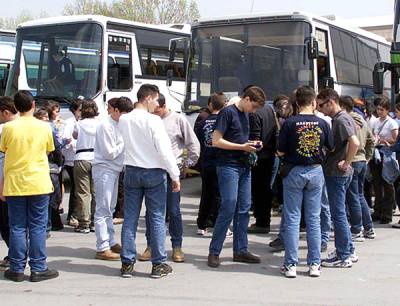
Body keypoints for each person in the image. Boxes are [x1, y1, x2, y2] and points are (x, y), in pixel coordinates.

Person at [119, 84, 180, 279]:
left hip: (132, 171)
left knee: (130, 218)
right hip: (154, 171)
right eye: (155, 99)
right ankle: (158, 264)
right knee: (156, 218)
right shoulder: (154, 121)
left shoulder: (124, 119)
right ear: (147, 98)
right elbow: (164, 150)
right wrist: (174, 174)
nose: (157, 103)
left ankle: (127, 263)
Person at [0, 90, 58, 282]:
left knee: (16, 226)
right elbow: (50, 150)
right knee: (37, 227)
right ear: (33, 105)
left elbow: (4, 153)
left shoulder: (8, 128)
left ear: (15, 107)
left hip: (15, 182)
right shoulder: (44, 127)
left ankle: (16, 268)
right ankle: (38, 267)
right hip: (39, 182)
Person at [207, 86, 266, 268]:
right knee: (229, 206)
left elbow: (238, 139)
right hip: (228, 165)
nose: (254, 111)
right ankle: (214, 251)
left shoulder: (245, 115)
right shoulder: (227, 113)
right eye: (254, 106)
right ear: (247, 99)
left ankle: (240, 250)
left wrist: (251, 144)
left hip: (243, 165)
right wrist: (243, 147)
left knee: (243, 208)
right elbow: (216, 141)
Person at [278, 86, 333, 278]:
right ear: (313, 102)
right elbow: (330, 147)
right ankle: (314, 264)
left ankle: (290, 264)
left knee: (292, 218)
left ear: (297, 102)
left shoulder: (289, 123)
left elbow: (281, 151)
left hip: (293, 171)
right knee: (314, 219)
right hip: (316, 171)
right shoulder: (323, 123)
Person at [140, 93, 200, 263]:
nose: (154, 113)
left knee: (173, 210)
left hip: (172, 170)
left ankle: (177, 246)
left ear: (163, 106)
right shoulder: (150, 119)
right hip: (152, 169)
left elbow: (193, 144)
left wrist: (186, 164)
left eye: (157, 110)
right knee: (152, 211)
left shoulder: (178, 120)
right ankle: (151, 246)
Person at [317, 88, 359, 268]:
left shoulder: (341, 120)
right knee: (340, 213)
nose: (319, 109)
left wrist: (346, 162)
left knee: (338, 214)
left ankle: (343, 255)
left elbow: (355, 143)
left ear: (330, 102)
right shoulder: (344, 118)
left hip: (337, 173)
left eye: (321, 105)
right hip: (339, 172)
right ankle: (348, 249)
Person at [93, 97, 133, 261]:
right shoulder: (105, 125)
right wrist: (125, 141)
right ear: (114, 110)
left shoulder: (120, 124)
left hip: (115, 170)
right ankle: (102, 246)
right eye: (123, 114)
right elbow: (109, 152)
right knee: (103, 208)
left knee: (110, 207)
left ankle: (110, 241)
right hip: (104, 168)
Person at [339, 96, 376, 240]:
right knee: (360, 195)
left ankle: (356, 228)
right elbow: (371, 140)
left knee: (353, 196)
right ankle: (368, 227)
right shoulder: (364, 121)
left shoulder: (346, 120)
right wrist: (367, 157)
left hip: (351, 160)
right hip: (361, 160)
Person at [196, 92, 227, 235]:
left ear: (210, 105)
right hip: (220, 162)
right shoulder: (223, 122)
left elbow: (198, 142)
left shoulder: (204, 121)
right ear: (224, 105)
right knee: (220, 195)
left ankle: (201, 224)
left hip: (206, 161)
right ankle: (218, 225)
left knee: (206, 194)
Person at [248, 90, 278, 234]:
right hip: (270, 154)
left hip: (259, 156)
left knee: (258, 190)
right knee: (265, 189)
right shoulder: (269, 109)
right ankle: (264, 220)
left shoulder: (254, 113)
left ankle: (261, 221)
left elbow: (255, 136)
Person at [369, 97, 398, 224]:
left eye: (382, 109)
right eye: (378, 109)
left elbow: (395, 140)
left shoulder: (392, 123)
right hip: (376, 153)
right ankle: (378, 210)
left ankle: (387, 213)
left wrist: (382, 140)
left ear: (387, 110)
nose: (379, 111)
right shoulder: (376, 122)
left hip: (386, 153)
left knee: (387, 183)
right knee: (376, 183)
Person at [73, 100, 99, 233]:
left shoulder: (79, 123)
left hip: (81, 157)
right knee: (95, 192)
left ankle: (84, 223)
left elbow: (74, 136)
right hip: (96, 157)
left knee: (83, 192)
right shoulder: (100, 123)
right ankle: (95, 221)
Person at [0, 96, 18, 269]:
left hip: (6, 183)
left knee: (8, 224)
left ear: (5, 112)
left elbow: (3, 160)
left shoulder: (5, 129)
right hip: (23, 182)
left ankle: (16, 256)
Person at [62, 99, 82, 227]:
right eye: (80, 109)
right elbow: (66, 140)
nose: (82, 112)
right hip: (71, 159)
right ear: (74, 110)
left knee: (79, 189)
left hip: (79, 158)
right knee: (75, 189)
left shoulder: (82, 122)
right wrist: (76, 143)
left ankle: (77, 214)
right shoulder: (69, 122)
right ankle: (72, 216)